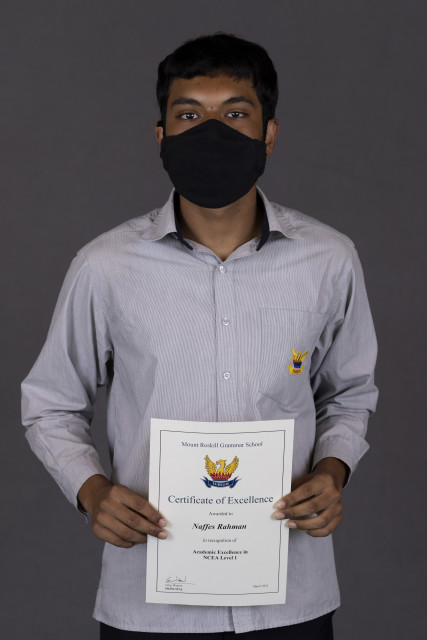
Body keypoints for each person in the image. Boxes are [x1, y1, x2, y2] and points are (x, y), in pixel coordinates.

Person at [20, 32, 378, 639]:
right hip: (148, 602)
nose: (211, 131)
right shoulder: (106, 266)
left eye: (235, 114)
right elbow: (50, 403)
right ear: (161, 136)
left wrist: (333, 471)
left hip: (291, 597)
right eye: (189, 115)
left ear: (269, 134)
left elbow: (349, 393)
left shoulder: (329, 259)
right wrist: (92, 491)